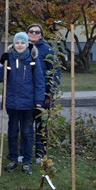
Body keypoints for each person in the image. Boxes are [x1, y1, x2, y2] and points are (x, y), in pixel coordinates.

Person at [0, 32, 45, 175]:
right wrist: (0, 64)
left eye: (23, 42)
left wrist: (38, 101)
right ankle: (13, 159)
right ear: (14, 44)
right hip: (12, 102)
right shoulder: (9, 58)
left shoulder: (33, 59)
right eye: (17, 43)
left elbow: (39, 81)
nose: (20, 45)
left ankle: (27, 161)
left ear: (27, 43)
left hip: (28, 103)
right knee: (12, 132)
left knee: (27, 132)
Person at [26, 23, 61, 162]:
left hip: (44, 93)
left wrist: (51, 92)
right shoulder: (23, 48)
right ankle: (26, 151)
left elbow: (55, 71)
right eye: (31, 31)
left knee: (42, 124)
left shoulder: (47, 50)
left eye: (37, 32)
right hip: (27, 93)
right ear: (27, 33)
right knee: (27, 125)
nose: (34, 34)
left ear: (41, 35)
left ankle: (41, 153)